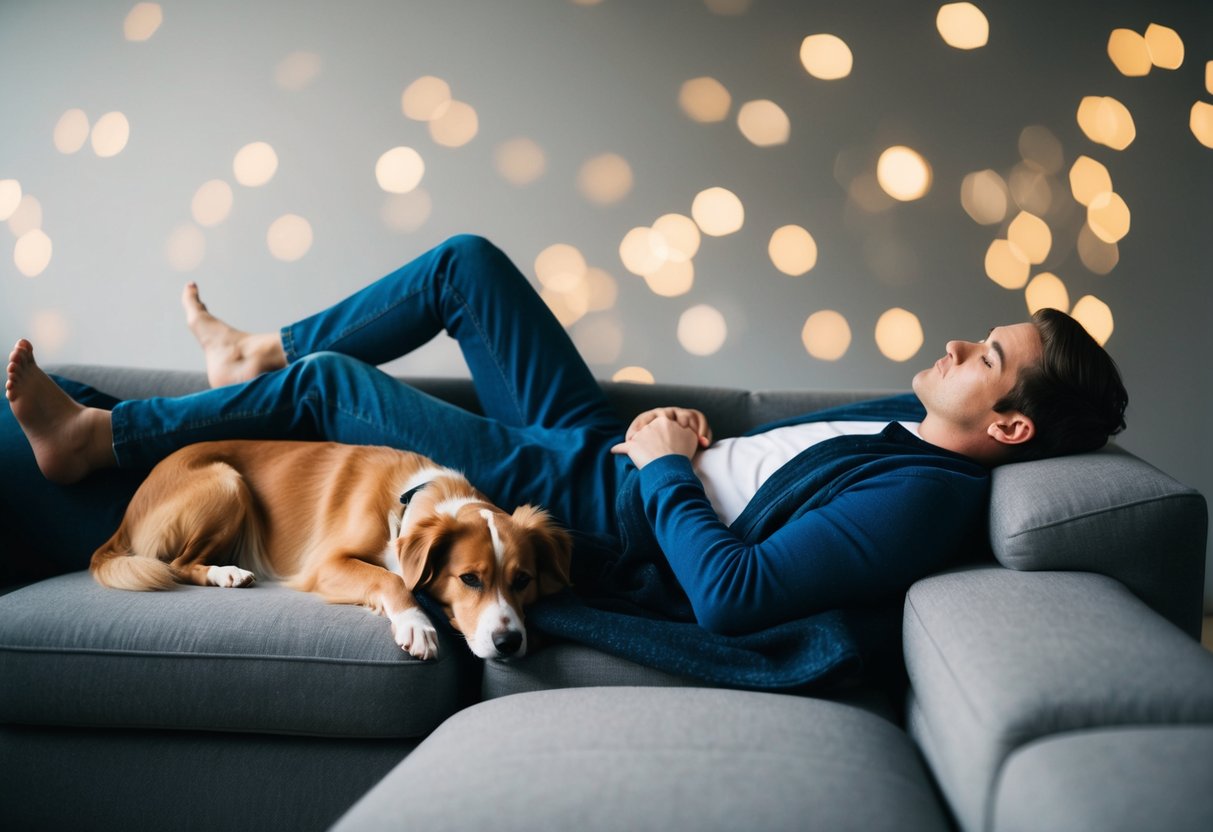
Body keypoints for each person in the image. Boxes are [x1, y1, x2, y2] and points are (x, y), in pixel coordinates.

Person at [3, 234, 1128, 635]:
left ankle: (99, 443)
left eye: (984, 357)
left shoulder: (928, 496)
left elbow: (736, 594)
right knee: (466, 267)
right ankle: (257, 356)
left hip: (607, 500)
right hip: (610, 449)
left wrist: (668, 469)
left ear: (1012, 421)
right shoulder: (900, 418)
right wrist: (669, 439)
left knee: (340, 387)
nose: (955, 346)